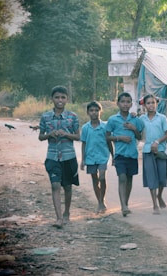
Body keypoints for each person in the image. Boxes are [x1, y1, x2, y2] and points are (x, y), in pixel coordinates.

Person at [39, 85, 80, 228]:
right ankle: (58, 218)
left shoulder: (73, 117)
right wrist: (49, 134)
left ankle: (66, 213)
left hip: (69, 157)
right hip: (52, 157)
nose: (60, 100)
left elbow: (78, 136)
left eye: (63, 97)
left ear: (67, 99)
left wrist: (66, 134)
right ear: (52, 99)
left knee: (67, 186)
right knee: (55, 185)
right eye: (57, 97)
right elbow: (41, 136)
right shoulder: (45, 117)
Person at [106, 92, 143, 217]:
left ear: (131, 104)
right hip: (120, 155)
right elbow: (107, 137)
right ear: (118, 103)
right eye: (123, 101)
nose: (125, 104)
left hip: (132, 155)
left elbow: (140, 137)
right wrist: (119, 138)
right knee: (122, 178)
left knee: (129, 179)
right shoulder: (112, 120)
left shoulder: (135, 120)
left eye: (128, 102)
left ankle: (125, 203)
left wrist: (134, 128)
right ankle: (123, 206)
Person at [139, 94, 167, 215]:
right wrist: (132, 117)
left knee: (162, 177)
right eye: (148, 103)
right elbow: (137, 130)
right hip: (148, 151)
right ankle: (154, 204)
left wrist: (157, 142)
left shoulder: (162, 118)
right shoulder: (142, 119)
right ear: (144, 105)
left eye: (153, 103)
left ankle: (159, 195)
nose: (151, 105)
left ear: (156, 104)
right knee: (151, 177)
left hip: (161, 150)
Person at [80, 101, 113, 214]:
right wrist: (83, 159)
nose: (94, 113)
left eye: (96, 110)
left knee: (102, 177)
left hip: (103, 156)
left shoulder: (105, 126)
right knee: (95, 179)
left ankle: (102, 200)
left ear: (100, 112)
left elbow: (109, 142)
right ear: (88, 113)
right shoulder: (85, 128)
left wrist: (113, 156)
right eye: (91, 111)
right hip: (90, 157)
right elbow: (84, 143)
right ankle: (100, 201)